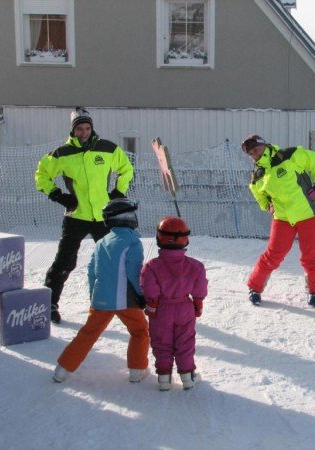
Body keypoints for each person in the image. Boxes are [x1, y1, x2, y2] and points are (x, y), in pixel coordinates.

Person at [35, 107, 134, 324]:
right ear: (73, 131)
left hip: (103, 217)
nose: (84, 132)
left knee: (114, 260)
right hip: (76, 217)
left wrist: (118, 192)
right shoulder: (62, 154)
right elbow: (41, 174)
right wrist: (58, 195)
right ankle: (49, 303)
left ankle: (126, 303)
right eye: (79, 129)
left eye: (87, 128)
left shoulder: (107, 148)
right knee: (64, 261)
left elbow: (126, 168)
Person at [52, 198, 150, 382]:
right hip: (125, 300)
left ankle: (63, 369)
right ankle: (137, 370)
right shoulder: (132, 241)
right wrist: (141, 294)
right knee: (139, 330)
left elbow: (92, 271)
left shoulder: (102, 242)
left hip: (101, 299)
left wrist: (94, 298)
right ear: (127, 218)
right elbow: (133, 271)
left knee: (88, 333)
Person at [241, 134, 315, 307]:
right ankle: (255, 288)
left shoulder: (290, 155)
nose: (255, 155)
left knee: (310, 256)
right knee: (272, 255)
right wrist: (267, 205)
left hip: (309, 214)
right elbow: (258, 193)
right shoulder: (257, 175)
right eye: (251, 154)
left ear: (264, 145)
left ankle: (314, 291)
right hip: (283, 218)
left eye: (256, 150)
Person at [140, 216, 208, 391]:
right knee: (185, 342)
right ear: (185, 239)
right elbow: (199, 289)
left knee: (161, 342)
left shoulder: (151, 266)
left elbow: (150, 291)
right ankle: (187, 376)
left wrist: (152, 304)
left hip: (161, 309)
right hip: (185, 308)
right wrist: (198, 303)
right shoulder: (196, 266)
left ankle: (164, 378)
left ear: (159, 238)